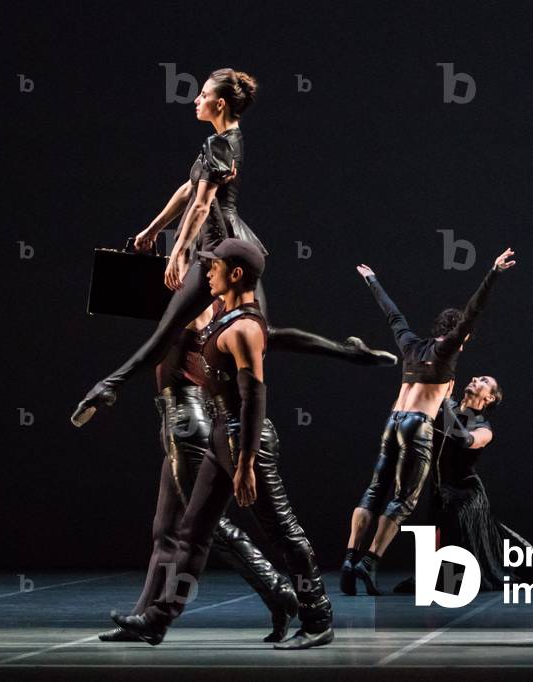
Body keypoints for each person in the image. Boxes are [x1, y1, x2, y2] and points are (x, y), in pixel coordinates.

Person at [71, 68, 392, 427]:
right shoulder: (222, 142)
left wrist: (178, 251)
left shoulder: (220, 144)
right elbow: (188, 189)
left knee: (178, 330)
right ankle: (349, 351)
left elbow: (201, 205)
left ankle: (106, 388)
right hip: (228, 247)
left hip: (220, 249)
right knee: (252, 333)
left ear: (219, 103)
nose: (196, 100)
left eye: (203, 94)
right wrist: (152, 229)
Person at [111, 239, 333, 650]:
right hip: (217, 432)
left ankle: (316, 617)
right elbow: (282, 337)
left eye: (212, 266)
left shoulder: (240, 323)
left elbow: (254, 398)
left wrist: (245, 463)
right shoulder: (224, 317)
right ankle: (157, 619)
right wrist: (346, 351)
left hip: (242, 437)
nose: (206, 271)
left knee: (282, 531)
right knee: (191, 531)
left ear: (235, 273)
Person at [96, 302, 297, 644]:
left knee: (205, 525)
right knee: (166, 531)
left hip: (188, 418)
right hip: (176, 416)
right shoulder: (188, 299)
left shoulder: (200, 299)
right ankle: (143, 620)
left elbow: (198, 321)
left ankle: (278, 590)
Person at [341, 249, 516, 595]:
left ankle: (349, 557)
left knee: (374, 490)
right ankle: (368, 562)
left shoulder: (410, 345)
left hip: (392, 421)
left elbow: (394, 316)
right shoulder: (449, 349)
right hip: (416, 424)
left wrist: (372, 280)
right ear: (461, 336)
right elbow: (474, 310)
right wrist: (493, 272)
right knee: (404, 499)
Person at [392, 375, 533, 593]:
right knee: (438, 529)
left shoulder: (483, 427)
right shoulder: (445, 406)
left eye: (483, 381)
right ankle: (430, 577)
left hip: (466, 494)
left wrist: (444, 401)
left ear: (489, 398)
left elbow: (464, 440)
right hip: (438, 489)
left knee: (461, 524)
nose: (474, 378)